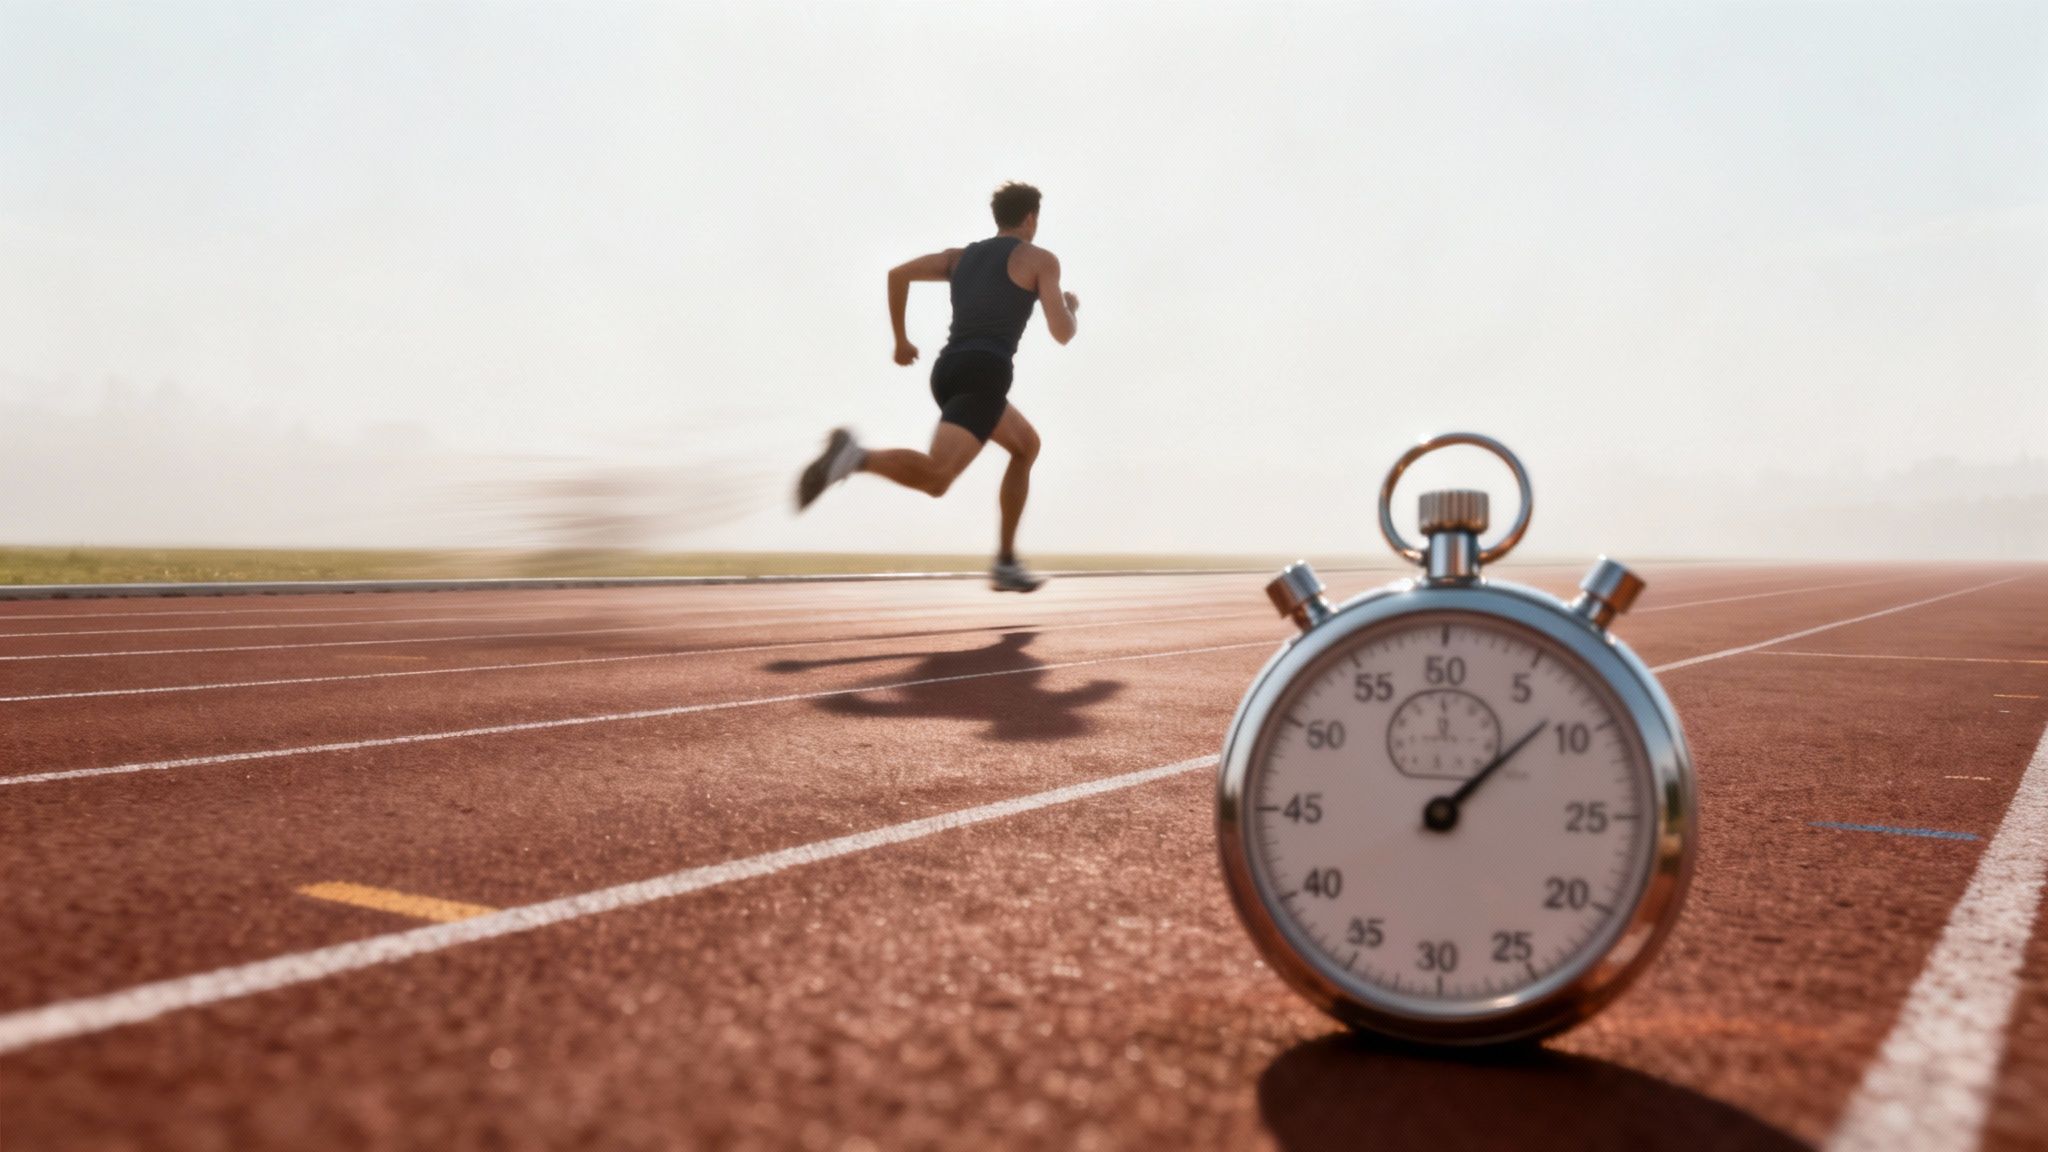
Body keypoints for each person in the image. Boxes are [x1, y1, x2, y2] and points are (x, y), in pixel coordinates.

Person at [795, 181, 1079, 593]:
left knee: (1026, 446)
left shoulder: (959, 258)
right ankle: (854, 457)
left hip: (949, 371)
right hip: (985, 373)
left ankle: (1005, 561)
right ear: (1031, 218)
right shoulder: (1040, 260)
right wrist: (1071, 308)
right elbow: (1062, 333)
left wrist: (901, 340)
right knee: (937, 478)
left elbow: (898, 274)